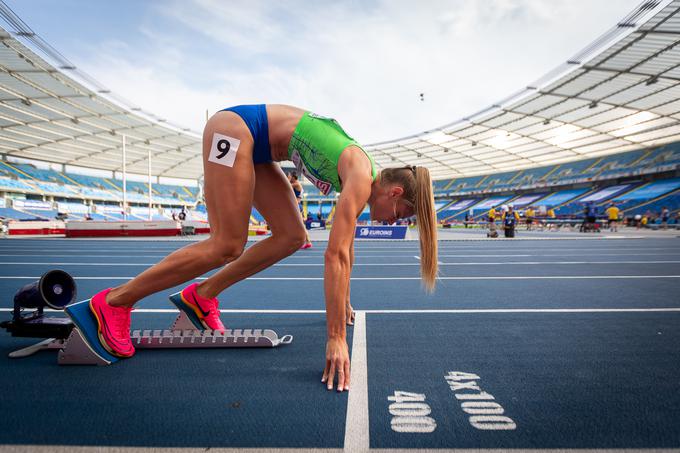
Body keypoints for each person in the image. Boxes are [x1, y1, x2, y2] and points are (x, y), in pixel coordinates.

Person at [81, 104, 438, 393]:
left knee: (290, 236)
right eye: (404, 214)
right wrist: (335, 338)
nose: (397, 222)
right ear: (394, 193)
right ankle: (113, 303)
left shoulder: (365, 175)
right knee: (226, 244)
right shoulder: (361, 175)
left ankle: (200, 296)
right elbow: (336, 255)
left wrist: (343, 301)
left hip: (258, 149)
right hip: (234, 129)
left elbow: (346, 248)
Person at [288, 171, 313, 249]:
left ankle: (304, 241)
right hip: (298, 206)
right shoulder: (297, 184)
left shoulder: (296, 184)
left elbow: (286, 186)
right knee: (300, 225)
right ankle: (307, 241)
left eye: (290, 176)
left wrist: (288, 179)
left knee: (299, 225)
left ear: (293, 177)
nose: (288, 177)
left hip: (297, 206)